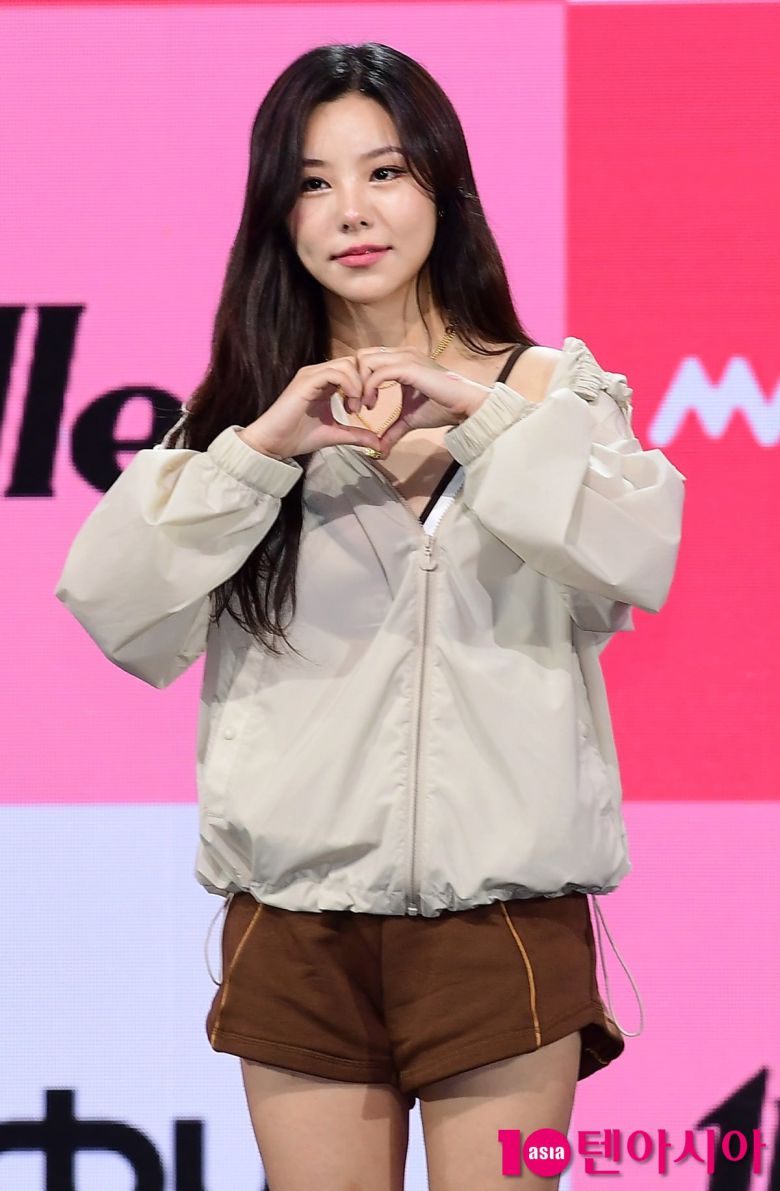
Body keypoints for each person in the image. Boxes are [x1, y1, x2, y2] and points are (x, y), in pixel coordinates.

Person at [54, 41, 686, 1191]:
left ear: (442, 185)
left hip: (504, 924)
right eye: (312, 181)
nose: (352, 209)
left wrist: (483, 420)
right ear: (277, 214)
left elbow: (634, 559)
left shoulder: (551, 393)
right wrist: (260, 451)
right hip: (296, 928)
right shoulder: (242, 417)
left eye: (384, 171)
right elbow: (115, 604)